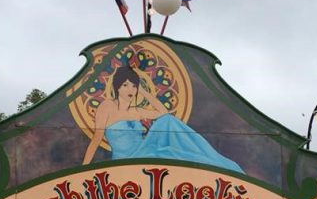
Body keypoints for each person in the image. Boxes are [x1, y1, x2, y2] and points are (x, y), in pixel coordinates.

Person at [81, 65, 243, 173]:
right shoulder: (107, 106)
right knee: (169, 148)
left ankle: (214, 162)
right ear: (117, 87)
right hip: (126, 160)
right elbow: (96, 139)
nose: (130, 89)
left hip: (145, 152)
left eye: (133, 86)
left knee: (168, 123)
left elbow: (164, 112)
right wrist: (83, 169)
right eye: (125, 85)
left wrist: (142, 91)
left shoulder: (137, 111)